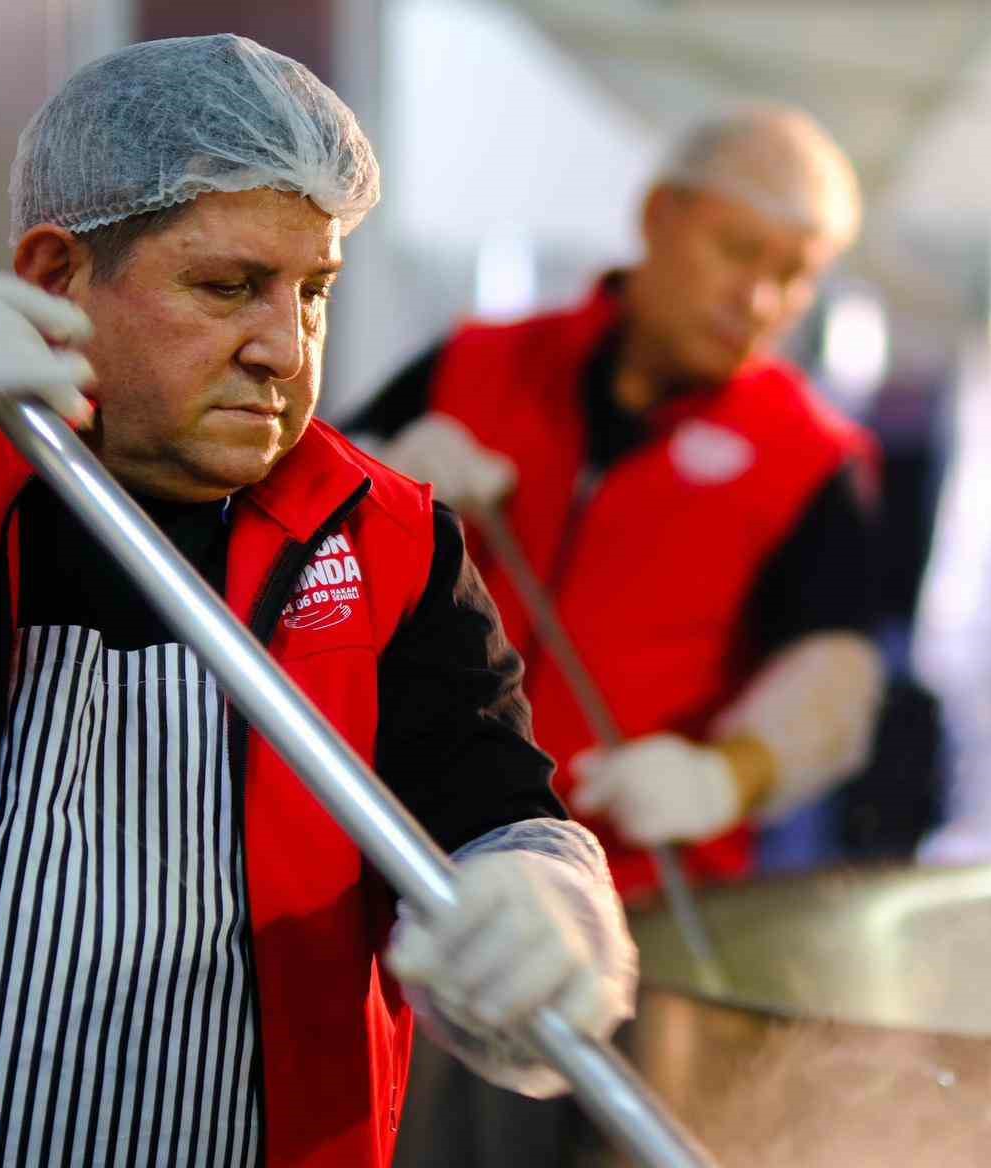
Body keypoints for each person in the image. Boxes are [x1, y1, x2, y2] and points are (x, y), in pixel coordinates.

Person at [0, 35, 635, 1168]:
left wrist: (542, 911)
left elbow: (497, 815)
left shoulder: (388, 546)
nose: (285, 348)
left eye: (313, 291)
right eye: (228, 287)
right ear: (58, 276)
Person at [349, 106, 887, 901]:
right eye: (739, 252)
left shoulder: (812, 457)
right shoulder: (476, 364)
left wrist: (724, 779)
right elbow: (284, 523)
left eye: (796, 275)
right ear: (657, 214)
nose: (762, 300)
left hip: (629, 901)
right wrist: (379, 483)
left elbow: (835, 673)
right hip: (398, 846)